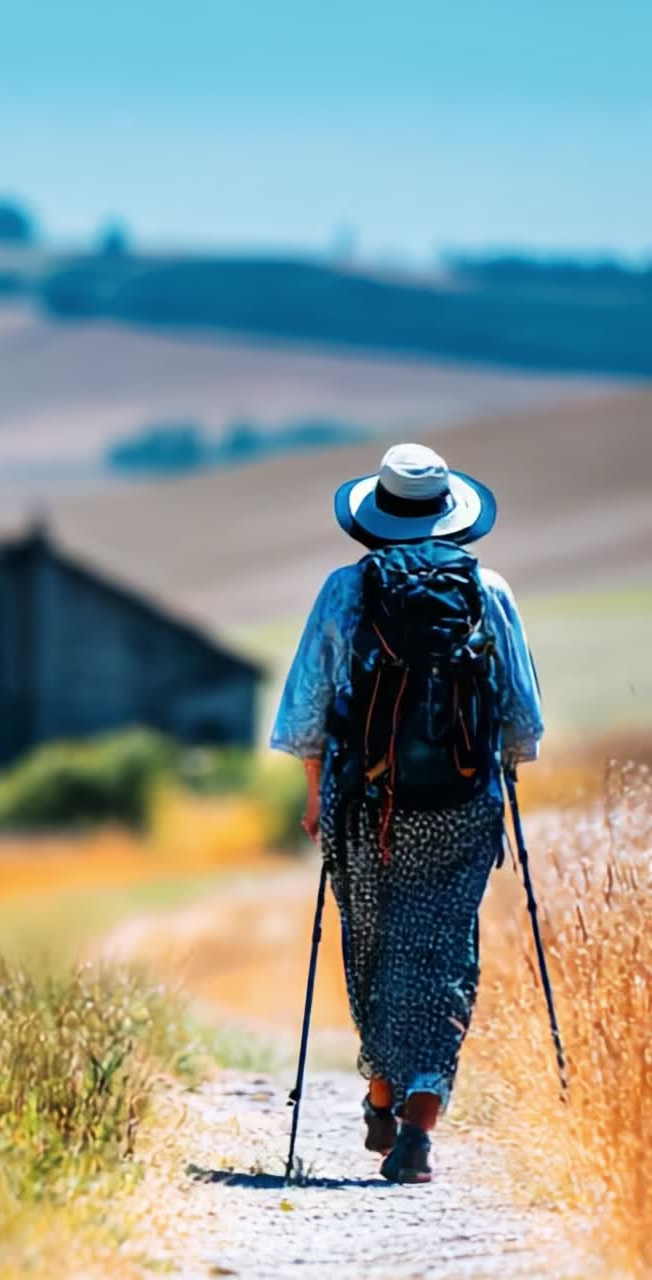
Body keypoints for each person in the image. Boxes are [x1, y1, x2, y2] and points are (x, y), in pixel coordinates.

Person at [270, 443, 543, 1184]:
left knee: (373, 946)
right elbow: (523, 723)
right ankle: (419, 1116)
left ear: (377, 515)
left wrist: (314, 795)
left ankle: (383, 1097)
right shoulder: (488, 589)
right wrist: (495, 773)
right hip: (462, 802)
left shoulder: (344, 590)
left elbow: (305, 711)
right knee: (445, 949)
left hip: (367, 801)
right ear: (451, 514)